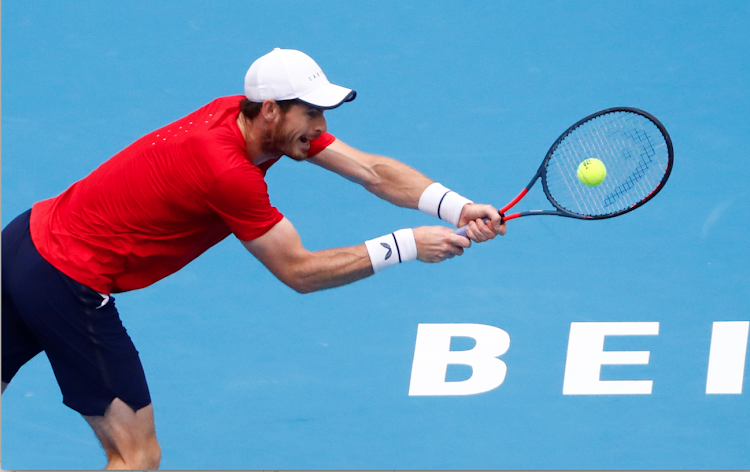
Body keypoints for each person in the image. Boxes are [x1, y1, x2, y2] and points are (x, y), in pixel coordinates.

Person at [1, 48, 505, 469]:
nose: (321, 126)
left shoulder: (236, 113)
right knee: (135, 455)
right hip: (67, 279)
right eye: (311, 113)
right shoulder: (228, 173)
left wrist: (456, 206)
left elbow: (370, 170)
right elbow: (299, 271)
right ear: (270, 109)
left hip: (21, 242)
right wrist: (408, 246)